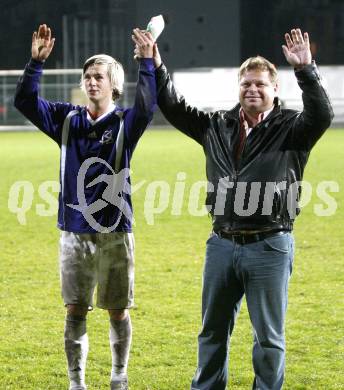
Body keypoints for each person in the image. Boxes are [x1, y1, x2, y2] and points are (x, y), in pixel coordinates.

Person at [143, 28, 333, 389]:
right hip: (222, 244)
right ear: (238, 87)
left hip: (270, 245)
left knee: (268, 339)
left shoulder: (294, 128)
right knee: (212, 333)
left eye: (261, 84)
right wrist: (156, 64)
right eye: (246, 83)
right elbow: (172, 106)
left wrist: (306, 68)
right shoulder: (217, 125)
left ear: (275, 88)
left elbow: (322, 114)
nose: (252, 89)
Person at [15, 24, 156, 390]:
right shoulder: (66, 118)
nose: (92, 82)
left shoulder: (126, 122)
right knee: (75, 309)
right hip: (74, 232)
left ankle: (118, 375)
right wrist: (35, 64)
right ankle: (76, 382)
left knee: (117, 310)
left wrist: (146, 61)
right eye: (88, 76)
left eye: (99, 77)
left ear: (114, 85)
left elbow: (147, 103)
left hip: (115, 232)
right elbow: (26, 102)